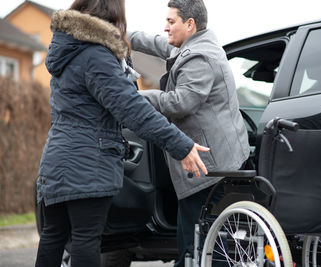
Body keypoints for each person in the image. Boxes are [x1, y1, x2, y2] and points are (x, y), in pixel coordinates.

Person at [35, 0, 210, 266]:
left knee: (54, 235)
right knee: (85, 238)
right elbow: (131, 108)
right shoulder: (96, 55)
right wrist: (180, 145)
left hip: (57, 158)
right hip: (87, 160)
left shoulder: (69, 49)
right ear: (114, 12)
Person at [128, 0, 250, 265]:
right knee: (197, 239)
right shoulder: (196, 44)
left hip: (209, 167)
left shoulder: (199, 57)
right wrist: (124, 35)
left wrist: (133, 96)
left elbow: (181, 102)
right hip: (217, 159)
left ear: (190, 24)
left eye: (171, 22)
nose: (166, 27)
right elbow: (161, 44)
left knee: (198, 244)